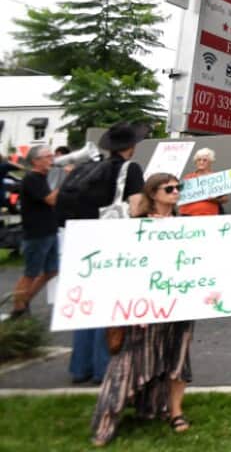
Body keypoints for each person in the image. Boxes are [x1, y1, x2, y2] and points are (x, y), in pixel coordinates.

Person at [91, 173, 195, 446]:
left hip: (180, 302)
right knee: (129, 360)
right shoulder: (136, 225)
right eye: (169, 188)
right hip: (143, 307)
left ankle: (174, 411)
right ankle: (108, 419)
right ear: (153, 194)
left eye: (178, 188)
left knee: (178, 357)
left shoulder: (187, 224)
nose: (175, 192)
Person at [70, 123, 146, 385]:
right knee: (109, 304)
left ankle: (80, 367)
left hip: (86, 239)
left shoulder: (91, 168)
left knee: (87, 304)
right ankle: (103, 367)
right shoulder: (130, 169)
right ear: (130, 147)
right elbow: (135, 208)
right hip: (115, 241)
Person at [9, 146, 59, 318]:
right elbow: (51, 199)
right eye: (47, 156)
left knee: (52, 270)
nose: (51, 159)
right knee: (30, 273)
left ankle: (25, 300)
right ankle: (18, 308)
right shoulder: (32, 179)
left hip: (49, 230)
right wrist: (68, 179)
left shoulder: (43, 177)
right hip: (37, 233)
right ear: (36, 161)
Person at [178, 148, 228, 217]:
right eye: (199, 160)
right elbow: (180, 197)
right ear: (195, 162)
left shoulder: (216, 178)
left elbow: (225, 199)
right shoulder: (188, 177)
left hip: (210, 215)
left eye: (205, 160)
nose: (201, 162)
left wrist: (212, 199)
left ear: (211, 162)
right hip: (188, 214)